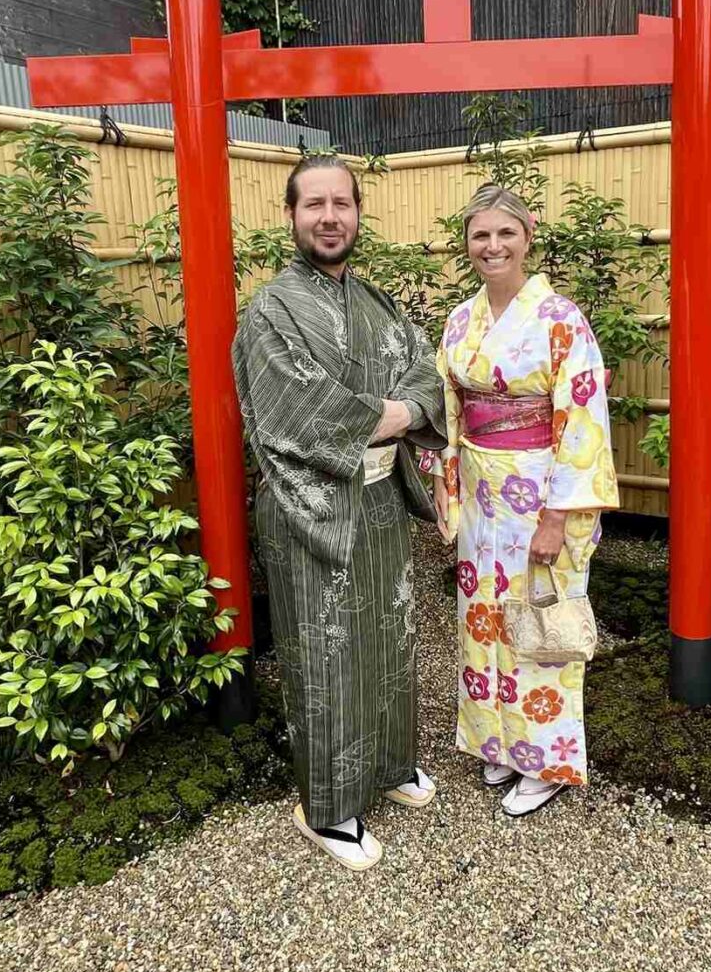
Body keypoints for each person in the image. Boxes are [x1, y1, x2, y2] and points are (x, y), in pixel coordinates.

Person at [232, 155, 446, 870]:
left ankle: (388, 767)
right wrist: (389, 414)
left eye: (342, 203)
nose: (330, 217)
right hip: (311, 506)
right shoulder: (271, 308)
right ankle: (327, 808)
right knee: (326, 654)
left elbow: (424, 373)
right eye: (314, 204)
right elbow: (291, 406)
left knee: (390, 637)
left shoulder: (381, 304)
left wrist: (402, 409)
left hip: (381, 497)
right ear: (290, 216)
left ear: (358, 214)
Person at [429, 185, 619, 817]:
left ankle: (547, 758)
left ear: (528, 237)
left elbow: (583, 415)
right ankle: (496, 742)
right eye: (480, 236)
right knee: (482, 617)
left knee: (540, 619)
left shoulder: (562, 320)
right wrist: (444, 483)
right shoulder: (461, 320)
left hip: (540, 489)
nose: (493, 246)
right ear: (467, 245)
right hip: (482, 492)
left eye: (505, 234)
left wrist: (559, 514)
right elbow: (448, 408)